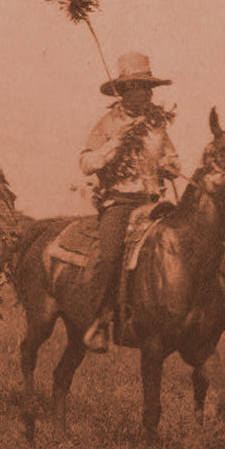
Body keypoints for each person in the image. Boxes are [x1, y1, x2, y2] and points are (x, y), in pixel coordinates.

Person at [77, 51, 181, 353]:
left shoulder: (157, 123)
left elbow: (169, 156)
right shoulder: (107, 123)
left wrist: (170, 164)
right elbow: (85, 162)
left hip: (153, 201)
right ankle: (100, 320)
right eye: (141, 87)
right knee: (109, 258)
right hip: (120, 202)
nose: (149, 93)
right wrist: (112, 147)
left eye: (150, 87)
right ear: (124, 90)